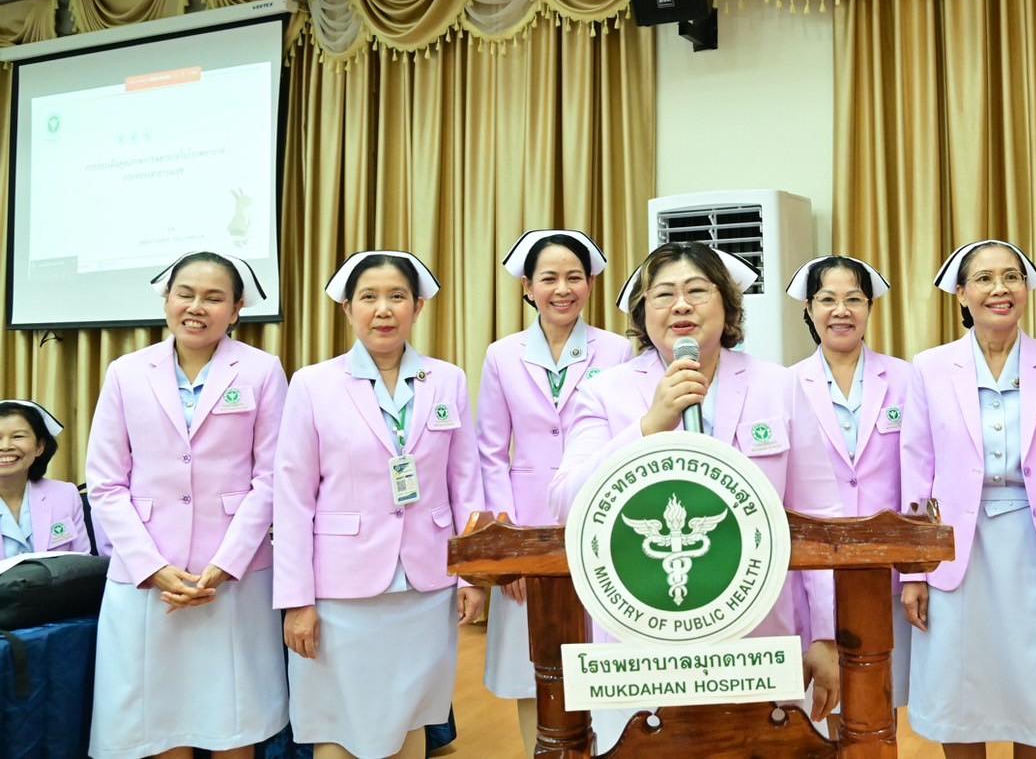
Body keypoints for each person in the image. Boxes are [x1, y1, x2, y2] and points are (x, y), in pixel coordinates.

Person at [548, 242, 843, 741]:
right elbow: (564, 503)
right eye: (664, 294)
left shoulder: (777, 385)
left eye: (697, 291)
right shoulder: (605, 392)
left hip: (755, 645)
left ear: (727, 305)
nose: (681, 305)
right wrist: (649, 427)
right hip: (642, 648)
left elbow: (822, 516)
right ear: (644, 313)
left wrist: (826, 634)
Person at [273, 250, 484, 759]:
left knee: (412, 715)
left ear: (418, 307)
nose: (383, 309)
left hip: (425, 583)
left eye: (397, 296)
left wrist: (473, 576)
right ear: (348, 308)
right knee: (338, 721)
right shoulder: (313, 384)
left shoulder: (447, 379)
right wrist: (297, 600)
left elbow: (466, 484)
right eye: (369, 297)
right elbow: (293, 497)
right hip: (340, 589)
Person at [86, 251, 287, 759]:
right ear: (167, 300)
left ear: (236, 309)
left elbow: (272, 478)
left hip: (234, 577)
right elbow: (106, 484)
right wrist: (151, 567)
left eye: (214, 298)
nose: (197, 307)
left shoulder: (262, 371)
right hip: (147, 576)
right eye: (186, 294)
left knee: (234, 722)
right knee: (160, 722)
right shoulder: (127, 372)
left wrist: (226, 563)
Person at [900, 239, 1036, 758]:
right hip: (957, 549)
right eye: (984, 278)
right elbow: (915, 471)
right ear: (961, 294)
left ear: (1026, 289)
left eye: (1011, 276)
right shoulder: (931, 367)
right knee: (960, 688)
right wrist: (914, 571)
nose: (999, 289)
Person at [476, 229, 632, 749]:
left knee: (598, 655)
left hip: (598, 520)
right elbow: (490, 452)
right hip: (528, 527)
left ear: (590, 284)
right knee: (530, 666)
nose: (562, 289)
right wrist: (509, 545)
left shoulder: (616, 350)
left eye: (573, 278)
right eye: (549, 278)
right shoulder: (502, 355)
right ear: (528, 287)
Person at [785, 254, 914, 708]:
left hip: (887, 568)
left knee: (882, 699)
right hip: (817, 564)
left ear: (869, 308)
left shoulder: (905, 378)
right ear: (808, 309)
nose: (841, 311)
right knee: (828, 702)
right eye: (827, 300)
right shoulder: (786, 385)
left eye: (854, 300)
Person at [0, 399, 89, 557]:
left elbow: (83, 563)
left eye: (18, 436)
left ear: (39, 447)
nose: (5, 446)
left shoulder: (65, 495)